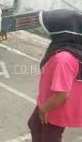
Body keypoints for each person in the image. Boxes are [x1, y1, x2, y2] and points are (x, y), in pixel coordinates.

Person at [27, 9, 82, 142]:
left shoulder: (63, 58)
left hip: (55, 106)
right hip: (49, 100)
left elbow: (62, 94)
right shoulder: (67, 45)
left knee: (50, 137)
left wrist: (44, 109)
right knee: (34, 124)